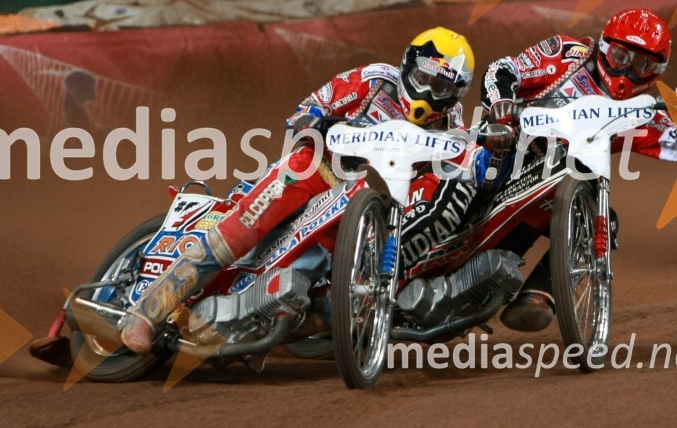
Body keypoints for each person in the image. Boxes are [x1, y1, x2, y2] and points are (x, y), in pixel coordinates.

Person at [120, 26, 506, 354]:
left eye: (441, 88)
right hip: (321, 168)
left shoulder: (452, 126)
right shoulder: (373, 81)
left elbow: (447, 174)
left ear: (456, 94)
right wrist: (320, 124)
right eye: (423, 79)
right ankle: (150, 309)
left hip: (367, 204)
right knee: (250, 220)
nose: (427, 94)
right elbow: (305, 112)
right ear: (407, 66)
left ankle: (304, 313)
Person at [481, 8, 677, 332]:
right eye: (620, 55)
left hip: (552, 193)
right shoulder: (565, 56)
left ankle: (539, 296)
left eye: (641, 64)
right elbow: (501, 69)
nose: (626, 70)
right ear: (604, 47)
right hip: (503, 159)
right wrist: (500, 104)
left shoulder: (639, 111)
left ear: (655, 71)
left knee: (602, 219)